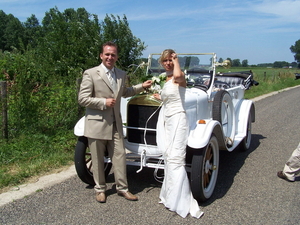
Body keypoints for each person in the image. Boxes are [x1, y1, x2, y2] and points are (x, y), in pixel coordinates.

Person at [78, 41, 152, 203]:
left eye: (113, 54)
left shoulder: (121, 74)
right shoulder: (90, 73)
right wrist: (103, 102)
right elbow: (82, 99)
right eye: (107, 54)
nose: (110, 57)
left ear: (117, 57)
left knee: (119, 157)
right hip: (96, 124)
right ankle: (100, 190)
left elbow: (125, 92)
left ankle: (123, 189)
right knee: (97, 159)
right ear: (101, 55)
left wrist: (142, 86)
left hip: (116, 125)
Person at [154, 49, 204, 218]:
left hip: (178, 120)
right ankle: (169, 196)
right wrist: (159, 97)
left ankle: (179, 200)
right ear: (161, 63)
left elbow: (178, 77)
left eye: (170, 60)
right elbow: (171, 96)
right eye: (165, 60)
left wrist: (177, 60)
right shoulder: (166, 79)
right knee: (169, 156)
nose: (167, 63)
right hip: (167, 121)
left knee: (176, 157)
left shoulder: (179, 76)